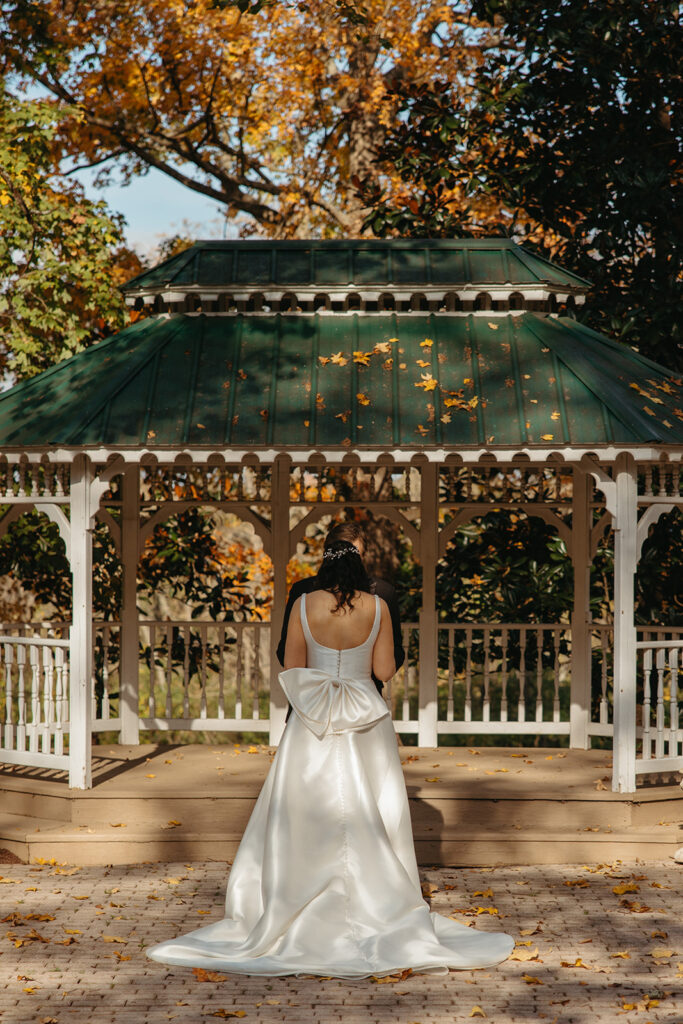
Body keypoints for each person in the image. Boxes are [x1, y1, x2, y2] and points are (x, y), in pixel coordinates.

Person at [145, 540, 514, 977]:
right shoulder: (376, 606)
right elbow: (383, 672)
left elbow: (294, 667)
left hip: (313, 722)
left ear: (323, 565)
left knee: (302, 811)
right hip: (365, 721)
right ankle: (380, 903)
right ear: (362, 566)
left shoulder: (303, 602)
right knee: (374, 809)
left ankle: (294, 900)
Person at [277, 521, 405, 694]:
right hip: (355, 703)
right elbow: (284, 649)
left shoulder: (383, 592)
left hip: (336, 699)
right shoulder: (302, 590)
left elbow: (395, 651)